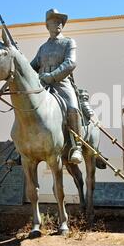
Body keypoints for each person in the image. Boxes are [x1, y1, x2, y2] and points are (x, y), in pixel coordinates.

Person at [31, 9, 83, 164]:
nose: (58, 24)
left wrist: (52, 76)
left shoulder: (68, 42)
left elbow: (70, 63)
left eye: (60, 21)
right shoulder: (43, 48)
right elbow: (33, 65)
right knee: (27, 106)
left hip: (61, 83)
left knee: (73, 108)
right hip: (42, 84)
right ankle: (21, 149)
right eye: (54, 22)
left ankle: (77, 146)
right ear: (48, 26)